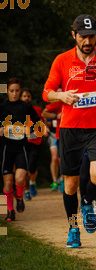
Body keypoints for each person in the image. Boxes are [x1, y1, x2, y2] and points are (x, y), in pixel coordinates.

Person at [42, 14, 96, 248]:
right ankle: (73, 228)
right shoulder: (62, 60)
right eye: (83, 36)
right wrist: (61, 95)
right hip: (70, 130)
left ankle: (88, 200)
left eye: (92, 36)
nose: (88, 41)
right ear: (74, 35)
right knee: (69, 186)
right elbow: (46, 92)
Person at [0, 78, 40, 221]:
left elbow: (37, 124)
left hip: (22, 147)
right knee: (8, 181)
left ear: (20, 90)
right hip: (6, 148)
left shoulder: (26, 107)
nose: (15, 93)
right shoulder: (2, 107)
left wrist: (29, 129)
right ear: (7, 92)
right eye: (12, 91)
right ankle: (10, 211)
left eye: (17, 91)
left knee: (20, 178)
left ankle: (19, 196)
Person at [20, 88, 45, 200]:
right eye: (24, 96)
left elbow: (42, 123)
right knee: (24, 168)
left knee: (32, 166)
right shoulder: (16, 111)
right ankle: (26, 191)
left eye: (28, 96)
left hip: (36, 141)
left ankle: (32, 182)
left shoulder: (37, 109)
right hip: (22, 142)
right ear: (20, 98)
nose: (26, 98)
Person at [42, 99, 62, 191]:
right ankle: (54, 181)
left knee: (60, 159)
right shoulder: (51, 107)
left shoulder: (66, 104)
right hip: (53, 135)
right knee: (54, 158)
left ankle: (62, 179)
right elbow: (44, 117)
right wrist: (45, 127)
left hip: (64, 135)